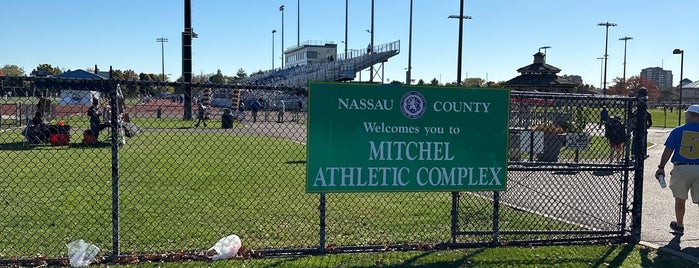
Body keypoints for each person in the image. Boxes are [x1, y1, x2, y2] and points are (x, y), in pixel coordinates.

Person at [655, 104, 699, 235]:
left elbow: (668, 150)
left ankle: (680, 225)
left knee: (680, 199)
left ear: (690, 116)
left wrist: (661, 167)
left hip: (681, 167)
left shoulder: (678, 131)